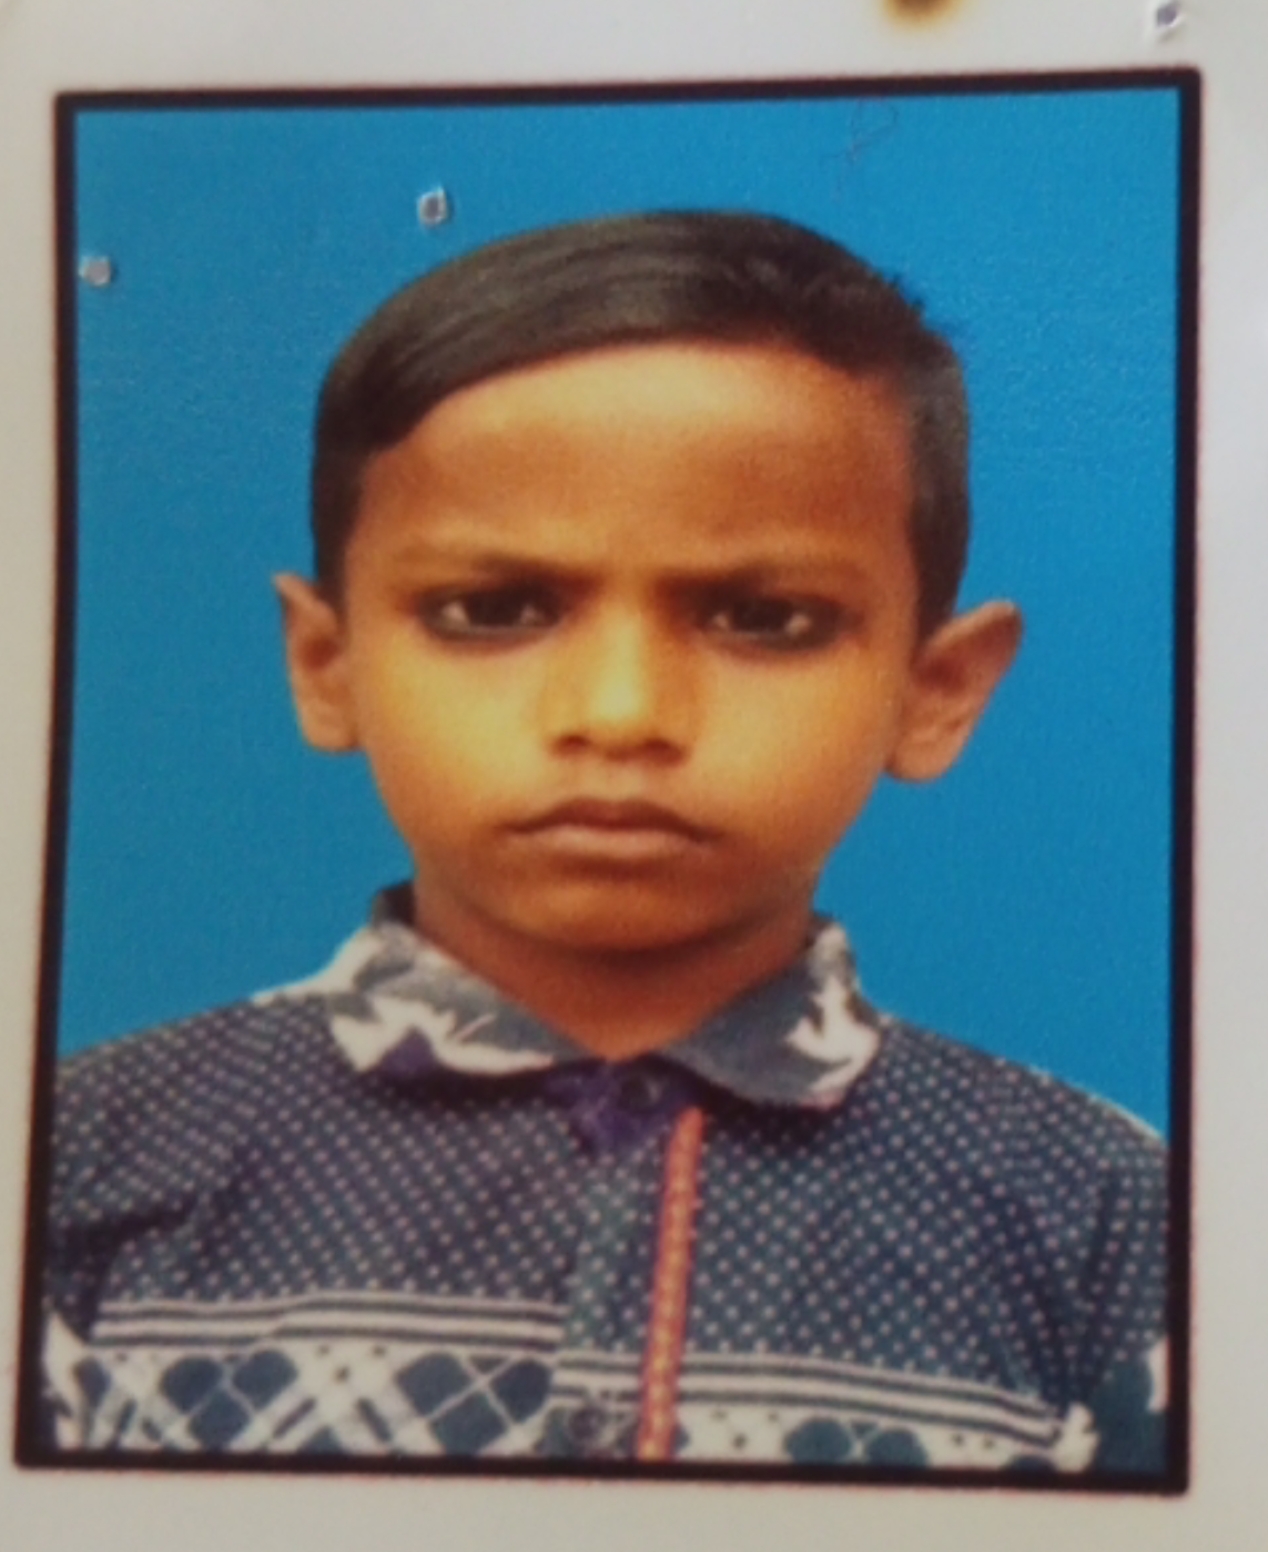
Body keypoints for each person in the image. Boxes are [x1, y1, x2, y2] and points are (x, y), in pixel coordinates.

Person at [37, 211, 1168, 1473]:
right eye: (492, 609)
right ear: (325, 663)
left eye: (764, 619)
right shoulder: (75, 1165)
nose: (621, 713)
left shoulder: (1109, 1219)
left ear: (935, 689)